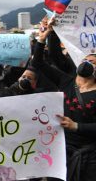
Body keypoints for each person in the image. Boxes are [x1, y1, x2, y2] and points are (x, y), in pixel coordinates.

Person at [32, 22, 96, 181]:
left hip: (90, 156)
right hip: (62, 151)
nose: (87, 63)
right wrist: (43, 38)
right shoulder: (66, 81)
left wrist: (77, 126)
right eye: (85, 59)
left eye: (93, 61)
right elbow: (38, 63)